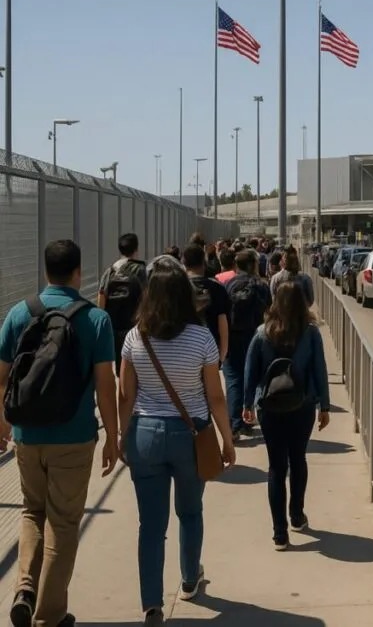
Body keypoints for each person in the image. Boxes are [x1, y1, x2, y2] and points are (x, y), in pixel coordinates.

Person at [0, 239, 119, 627]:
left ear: (45, 271)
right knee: (64, 523)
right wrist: (113, 436)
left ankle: (24, 590)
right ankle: (49, 617)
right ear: (78, 273)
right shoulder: (96, 320)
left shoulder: (20, 313)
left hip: (27, 435)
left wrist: (3, 423)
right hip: (74, 437)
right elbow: (105, 386)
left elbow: (1, 377)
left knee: (32, 512)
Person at [118, 258, 235, 627]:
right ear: (187, 296)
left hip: (145, 434)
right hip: (191, 434)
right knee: (190, 511)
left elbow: (125, 395)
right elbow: (215, 396)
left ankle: (152, 605)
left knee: (151, 525)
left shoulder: (135, 337)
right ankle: (188, 579)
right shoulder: (201, 339)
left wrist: (120, 436)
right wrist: (227, 438)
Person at [242, 281, 330, 550]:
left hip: (270, 407)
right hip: (302, 405)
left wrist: (247, 403)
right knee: (298, 459)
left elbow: (250, 371)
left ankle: (279, 533)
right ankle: (297, 515)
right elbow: (319, 369)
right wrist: (324, 406)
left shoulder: (262, 333)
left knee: (276, 467)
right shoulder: (311, 333)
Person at [224, 250, 270, 440]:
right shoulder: (261, 286)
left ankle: (235, 425)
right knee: (253, 377)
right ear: (254, 265)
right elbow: (269, 310)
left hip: (232, 336)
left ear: (237, 265)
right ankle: (249, 417)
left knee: (234, 379)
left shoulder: (229, 284)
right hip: (256, 336)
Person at [98, 233, 148, 374]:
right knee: (136, 370)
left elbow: (101, 299)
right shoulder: (140, 270)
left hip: (114, 328)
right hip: (134, 327)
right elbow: (146, 297)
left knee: (121, 369)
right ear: (136, 249)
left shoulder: (110, 271)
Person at [182, 244, 230, 366]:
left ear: (184, 263)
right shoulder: (217, 288)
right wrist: (222, 356)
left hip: (183, 351)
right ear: (204, 263)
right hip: (211, 350)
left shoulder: (178, 287)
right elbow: (222, 322)